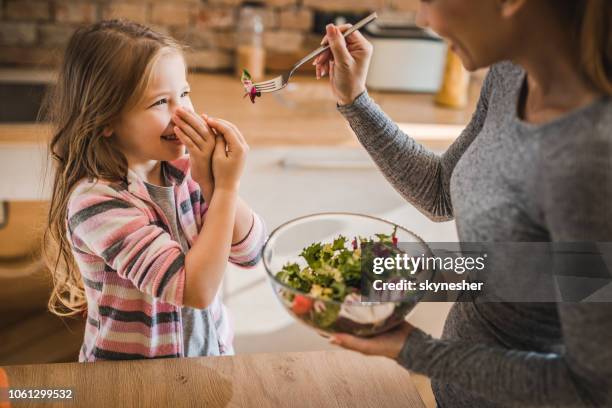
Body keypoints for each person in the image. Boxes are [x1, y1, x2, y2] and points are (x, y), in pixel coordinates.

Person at [313, 0, 612, 406]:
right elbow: (442, 191)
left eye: (429, 1)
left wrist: (412, 349)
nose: (424, 19)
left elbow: (592, 390)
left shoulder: (592, 159)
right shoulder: (512, 76)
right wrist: (355, 101)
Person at [43, 20, 266, 361]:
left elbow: (251, 252)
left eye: (185, 94)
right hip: (130, 382)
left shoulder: (186, 173)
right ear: (106, 120)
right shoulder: (97, 203)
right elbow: (195, 290)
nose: (182, 113)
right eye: (161, 102)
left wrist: (212, 184)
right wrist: (227, 188)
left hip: (209, 362)